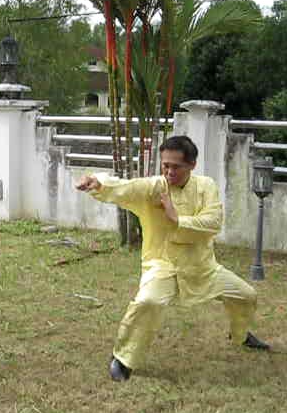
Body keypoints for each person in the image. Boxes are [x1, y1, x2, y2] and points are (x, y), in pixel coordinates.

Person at [75, 135, 270, 382]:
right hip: (162, 264)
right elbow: (125, 187)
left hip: (202, 267)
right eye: (165, 165)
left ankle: (241, 336)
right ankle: (124, 359)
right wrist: (98, 182)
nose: (168, 172)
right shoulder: (154, 187)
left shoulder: (206, 186)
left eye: (176, 166)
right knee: (148, 302)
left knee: (246, 296)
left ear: (192, 165)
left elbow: (214, 222)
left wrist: (176, 218)